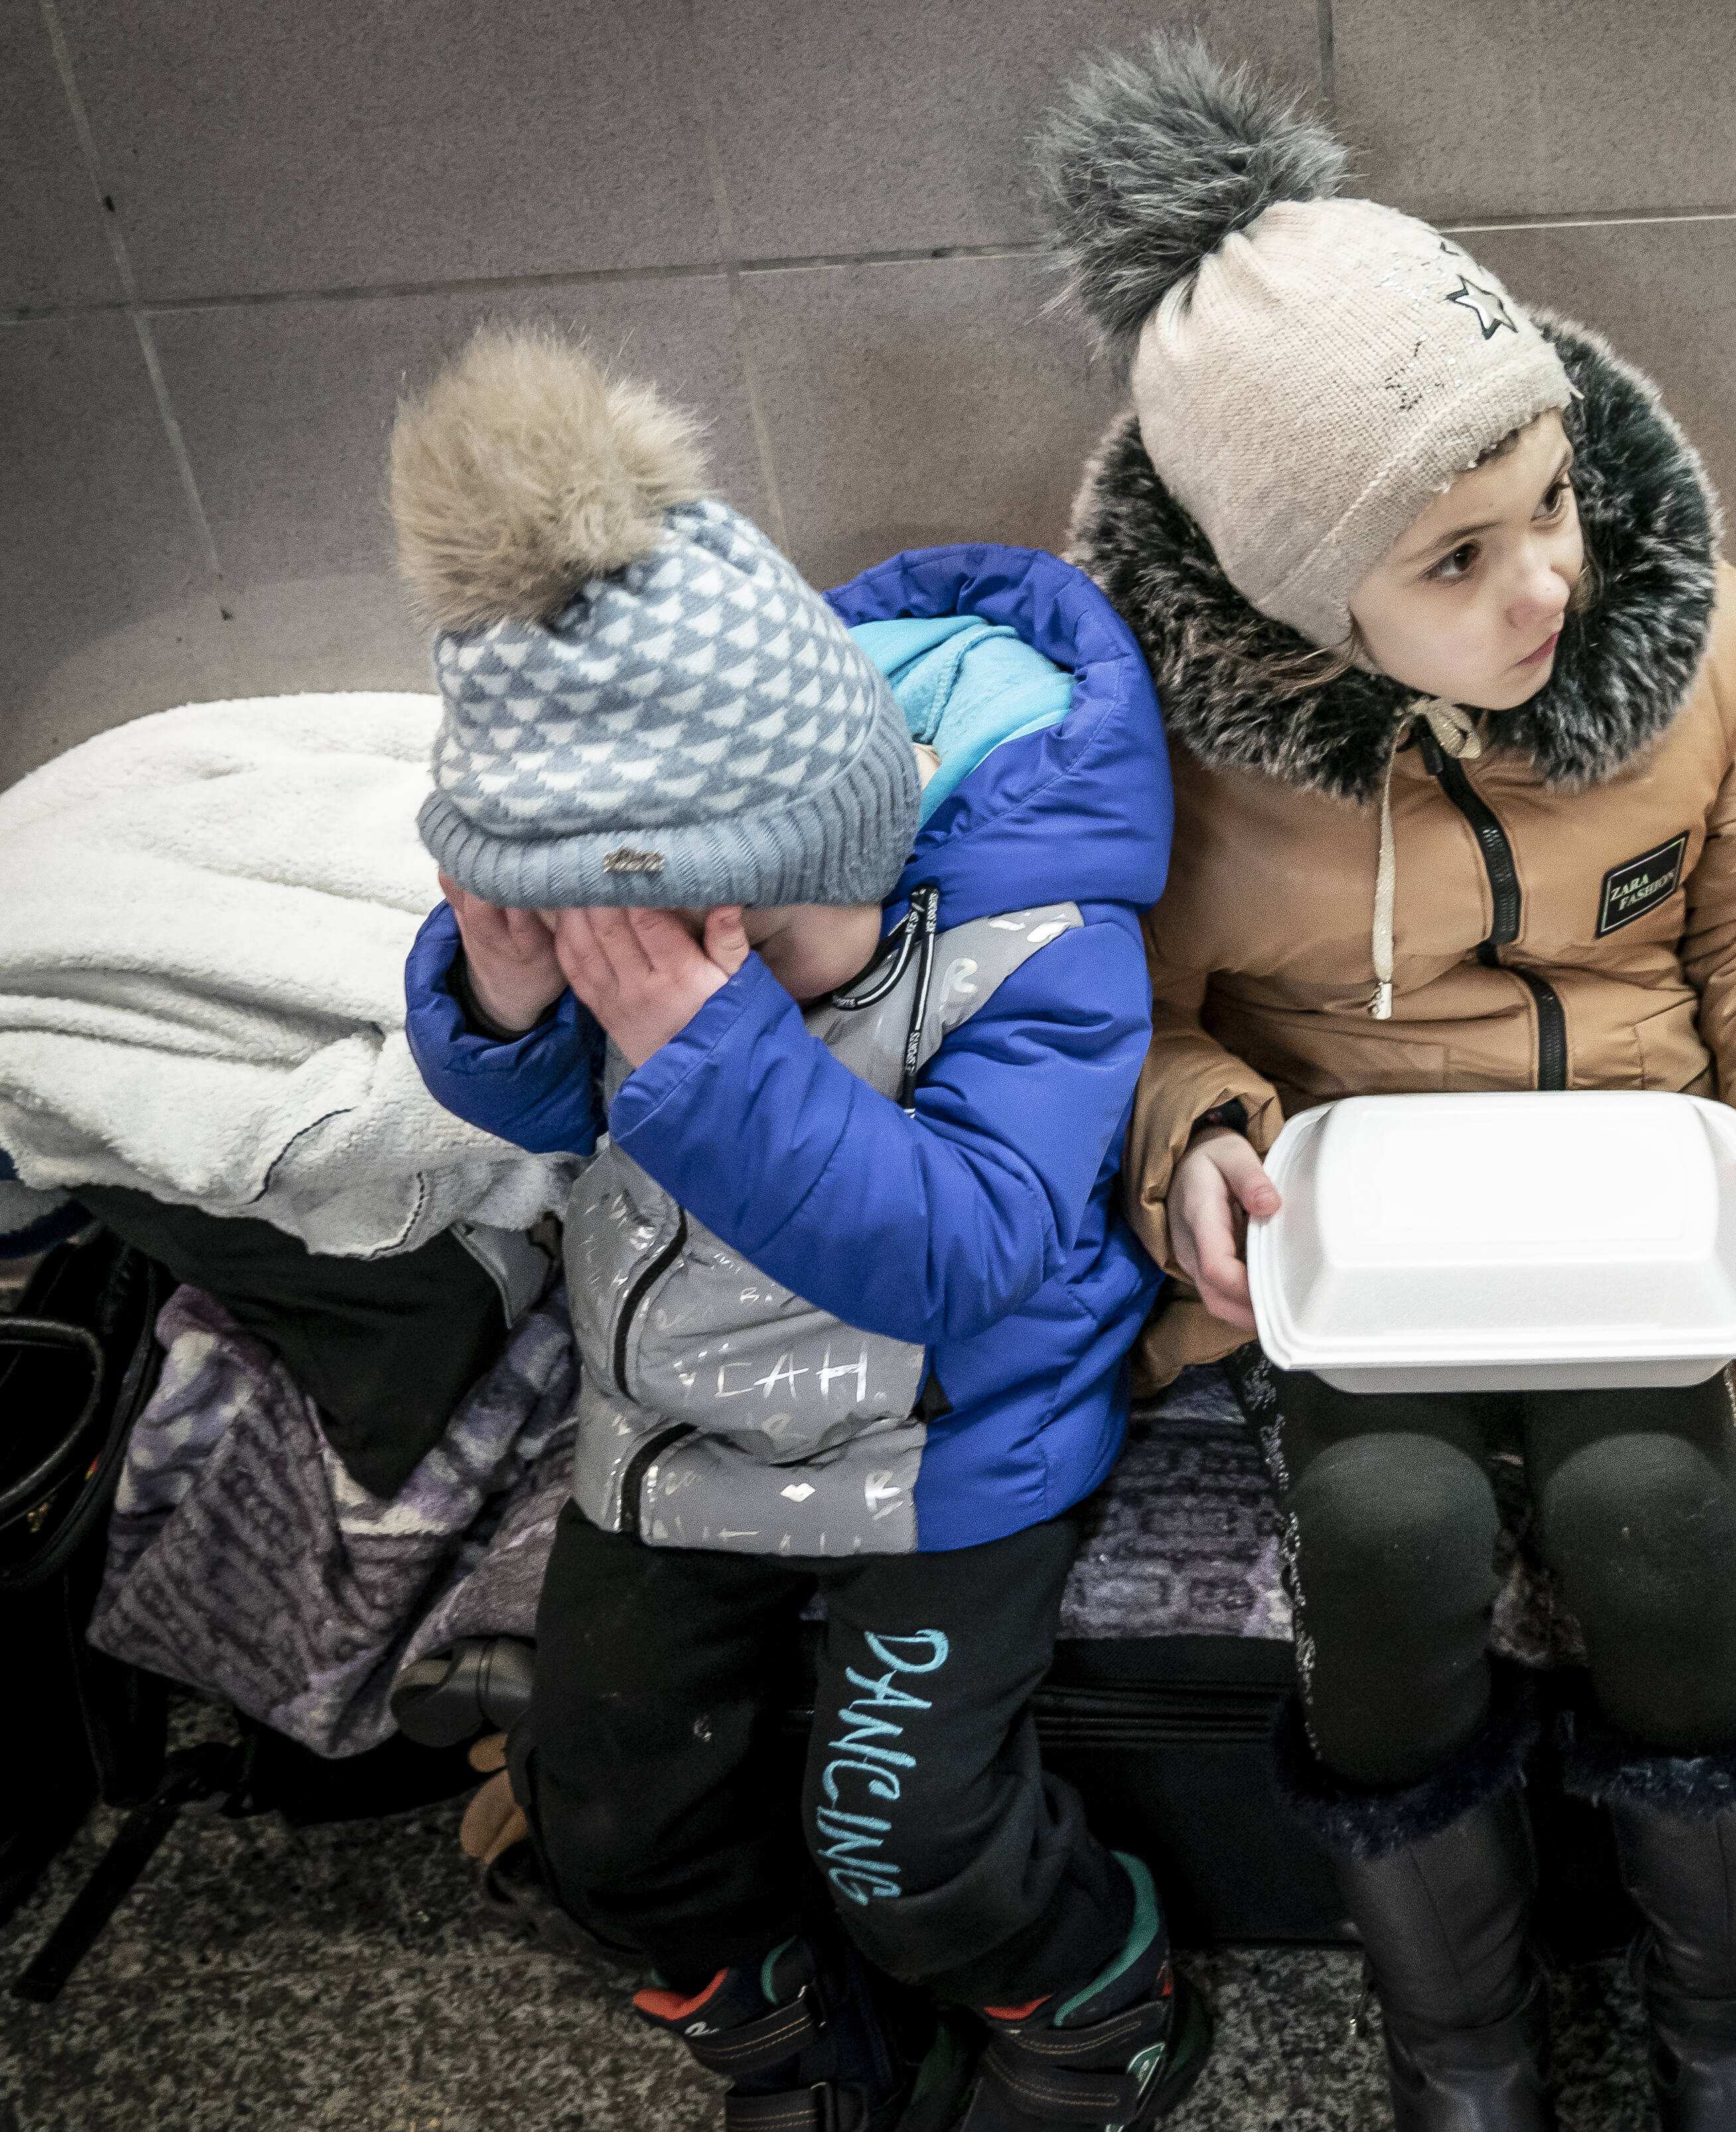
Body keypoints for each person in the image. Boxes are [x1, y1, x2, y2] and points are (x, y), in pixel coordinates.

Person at [1035, 41, 1736, 2132]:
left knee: (1653, 1519)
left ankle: (1734, 2023)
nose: (1545, 584)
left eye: (1551, 505)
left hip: (1641, 1194)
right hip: (1366, 1233)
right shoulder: (1154, 734)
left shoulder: (1690, 648)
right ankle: (1464, 2040)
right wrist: (1197, 1153)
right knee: (1394, 1530)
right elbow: (1113, 1013)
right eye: (1454, 560)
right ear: (1286, 593)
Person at [394, 326, 1204, 2130]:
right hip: (677, 1436)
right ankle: (791, 2039)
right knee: (602, 1805)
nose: (679, 969)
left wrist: (707, 1043)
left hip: (951, 1448)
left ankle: (1095, 2005)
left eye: (717, 927)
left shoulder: (1038, 940)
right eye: (630, 935)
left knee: (903, 1832)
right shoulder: (684, 935)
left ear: (836, 830)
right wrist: (520, 1002)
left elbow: (969, 1248)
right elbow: (553, 1113)